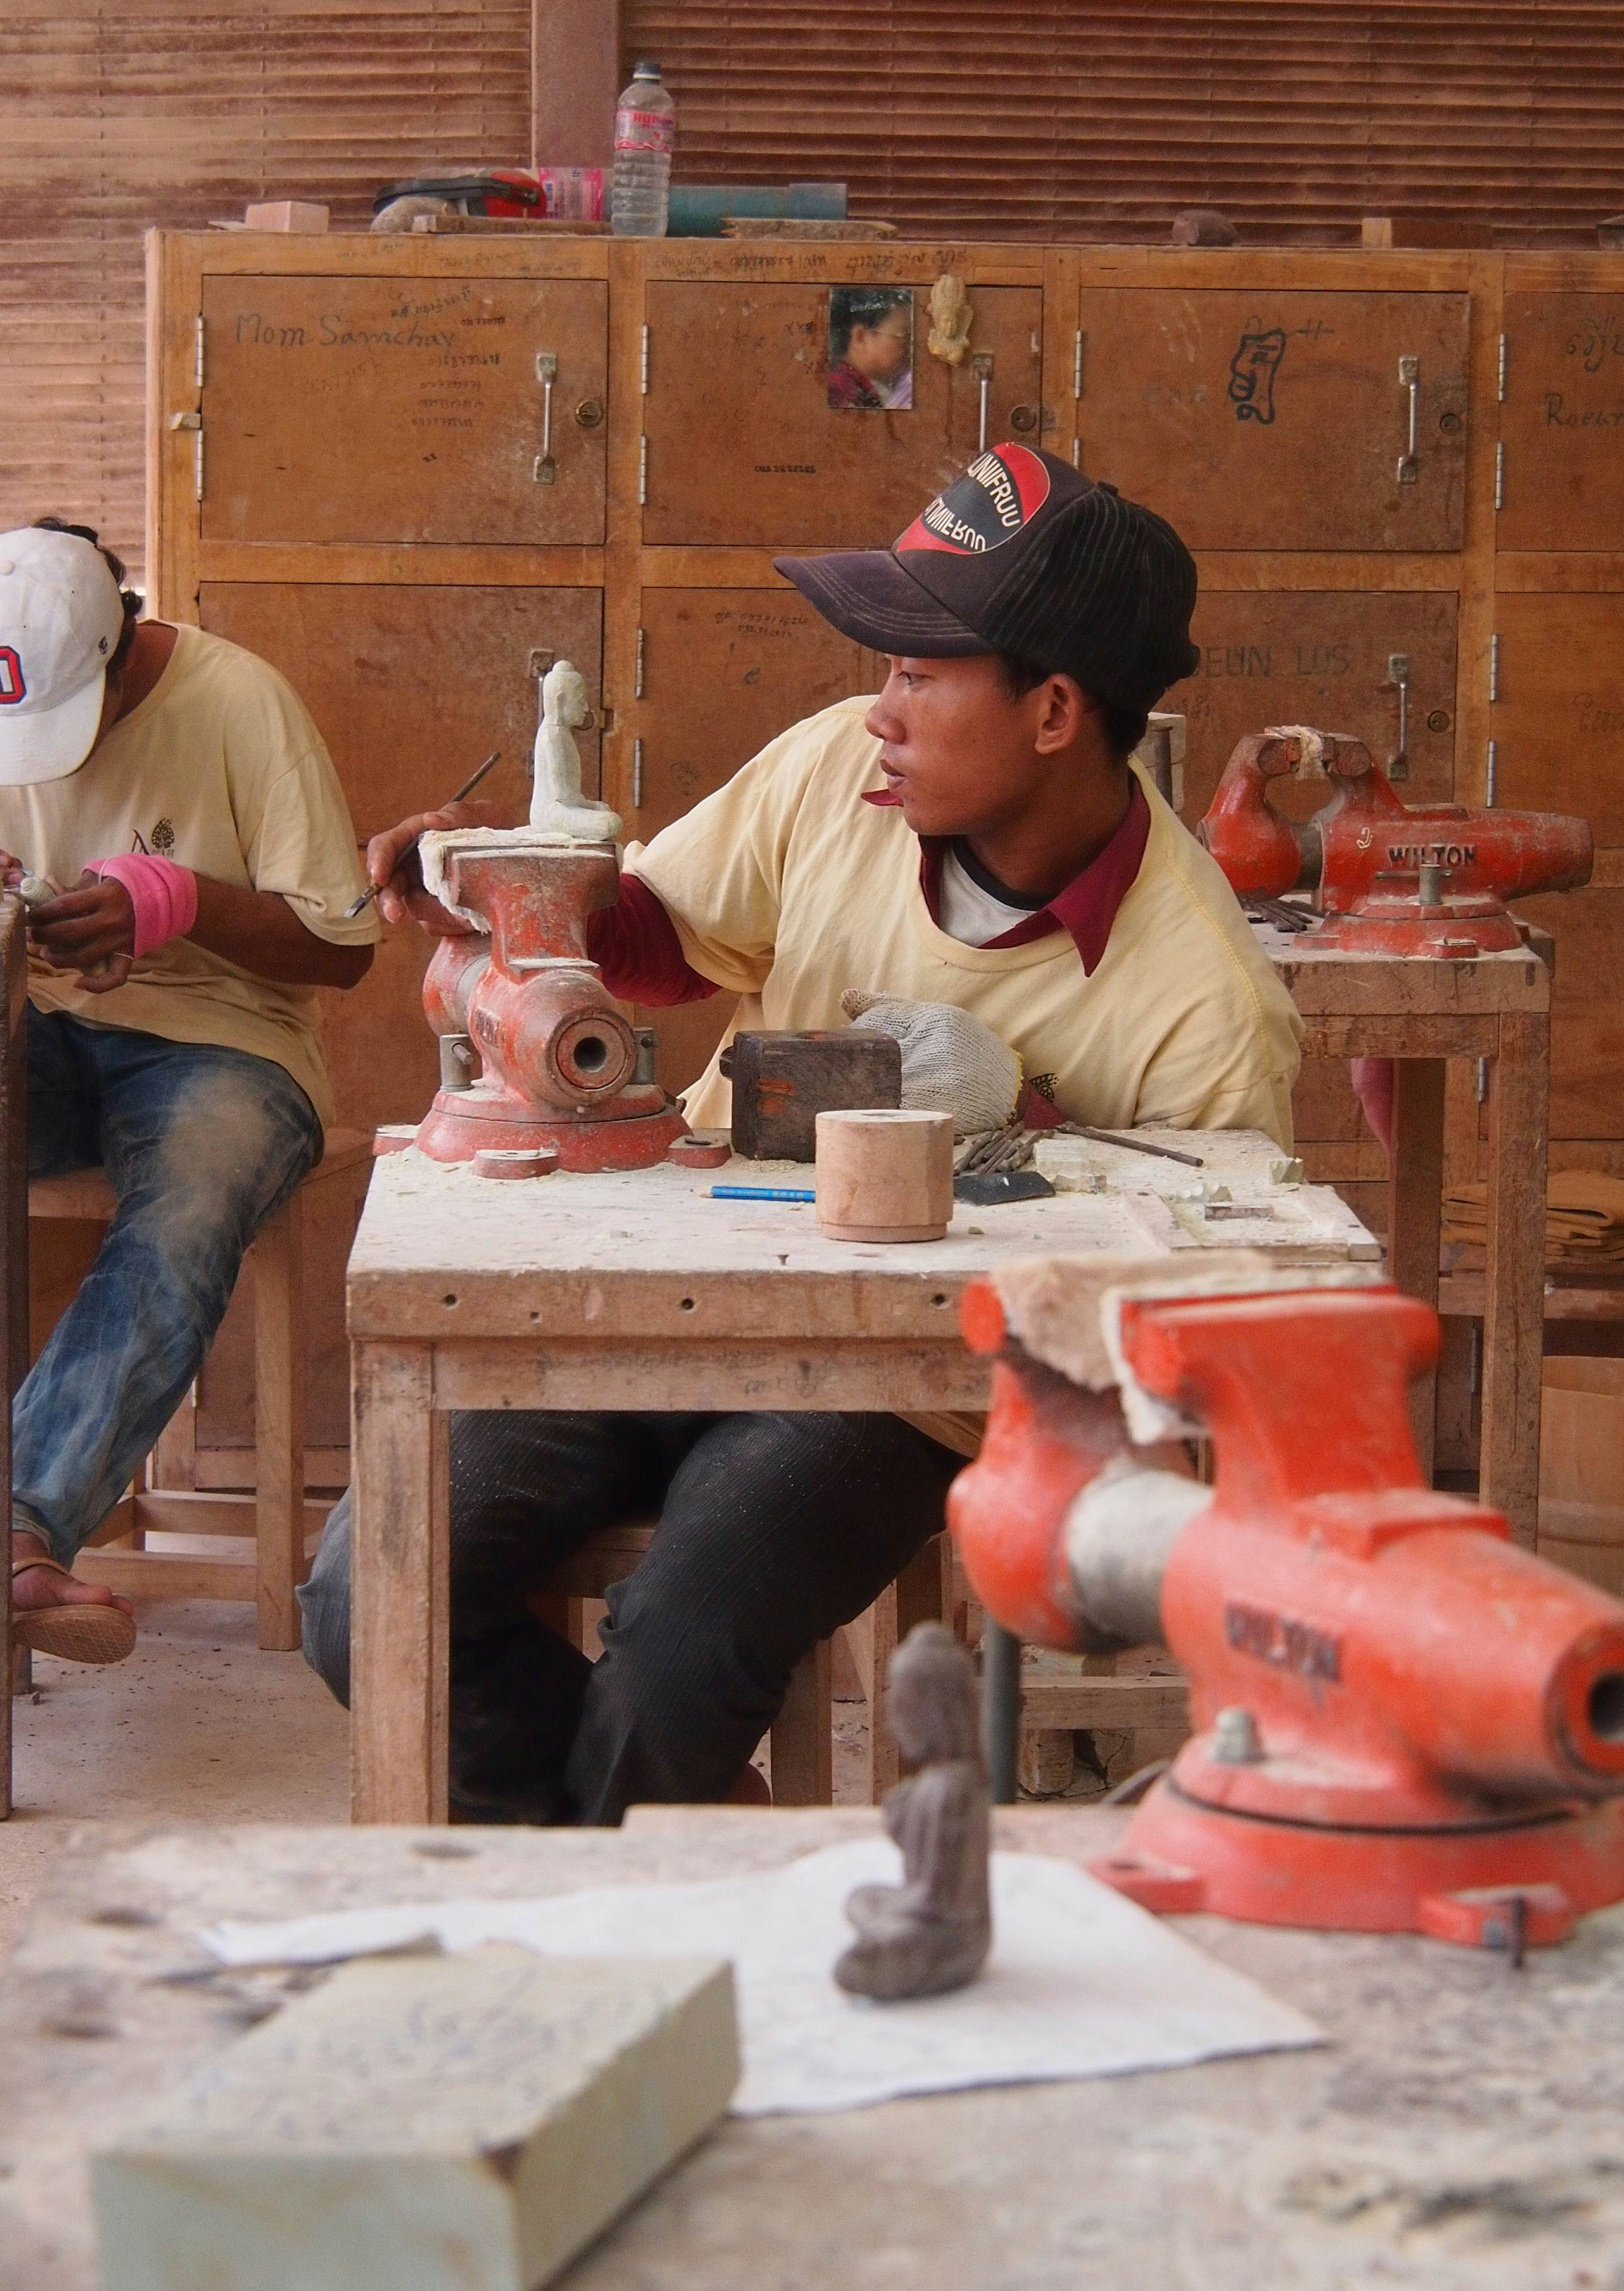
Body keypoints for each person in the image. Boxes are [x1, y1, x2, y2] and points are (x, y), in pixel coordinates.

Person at [298, 444, 1302, 1824]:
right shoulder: (841, 769)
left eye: (918, 672)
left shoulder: (1203, 1003)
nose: (879, 707)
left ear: (1056, 710)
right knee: (365, 1590)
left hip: (898, 1384)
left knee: (674, 1666)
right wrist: (528, 894)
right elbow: (657, 949)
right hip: (666, 1282)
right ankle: (654, 1865)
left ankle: (618, 1911)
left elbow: (1177, 1344)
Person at [0, 520, 380, 1664]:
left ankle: (12, 1531)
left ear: (121, 644)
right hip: (31, 1017)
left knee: (189, 1198)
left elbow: (344, 950)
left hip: (220, 1042)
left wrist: (181, 901)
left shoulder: (239, 703)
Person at [827, 288, 914, 410]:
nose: (910, 348)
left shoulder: (862, 389)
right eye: (903, 336)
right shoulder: (838, 391)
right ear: (860, 337)